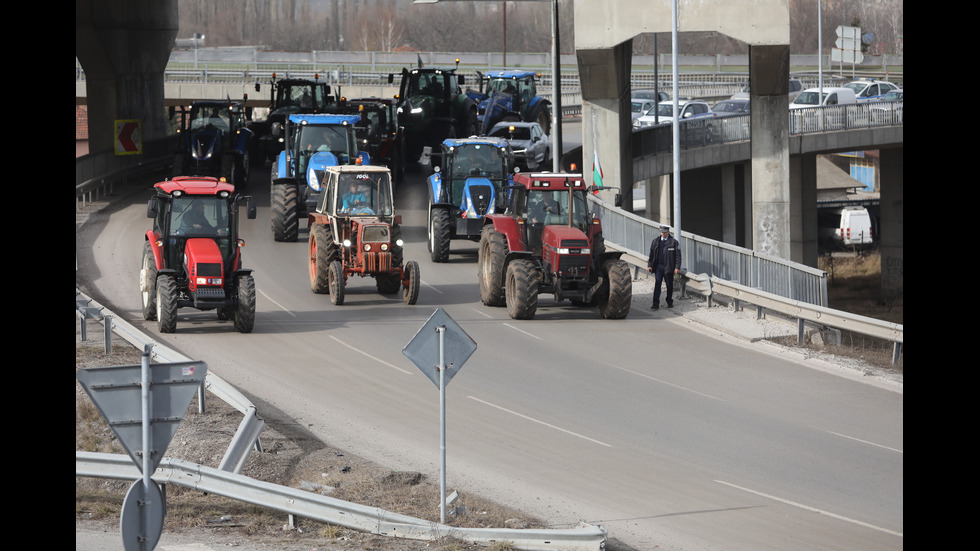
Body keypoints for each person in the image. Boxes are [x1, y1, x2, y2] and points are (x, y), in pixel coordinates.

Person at [647, 225, 681, 309]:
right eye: (662, 232)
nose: (663, 234)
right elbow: (651, 254)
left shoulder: (673, 242)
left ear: (668, 232)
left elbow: (678, 256)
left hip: (669, 267)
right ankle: (655, 304)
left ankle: (669, 301)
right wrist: (650, 265)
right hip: (658, 266)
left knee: (669, 285)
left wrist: (677, 267)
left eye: (665, 232)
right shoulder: (655, 241)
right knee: (657, 284)